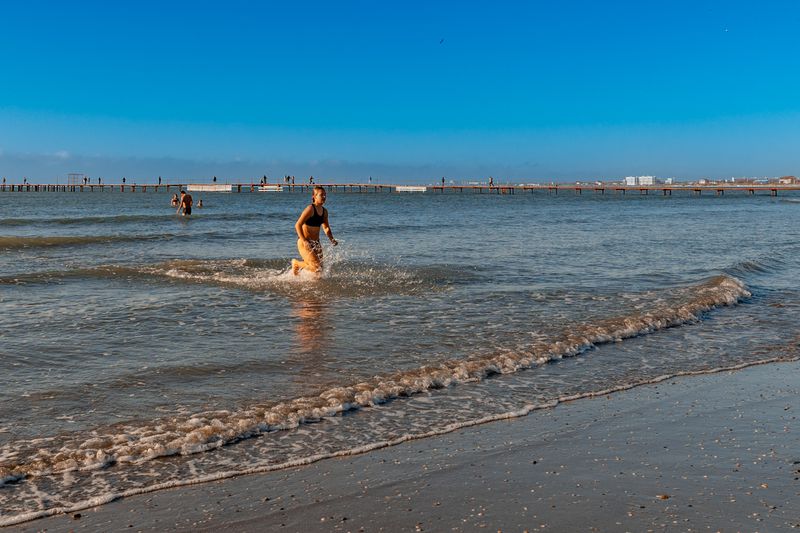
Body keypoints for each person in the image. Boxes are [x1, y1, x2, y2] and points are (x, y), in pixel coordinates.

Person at [292, 186, 337, 276]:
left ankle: (314, 285)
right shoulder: (310, 209)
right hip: (304, 242)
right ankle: (296, 264)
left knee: (321, 270)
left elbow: (326, 228)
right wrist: (304, 241)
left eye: (325, 195)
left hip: (316, 243)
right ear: (314, 197)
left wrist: (332, 239)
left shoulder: (325, 212)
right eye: (321, 195)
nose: (324, 197)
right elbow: (297, 225)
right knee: (316, 268)